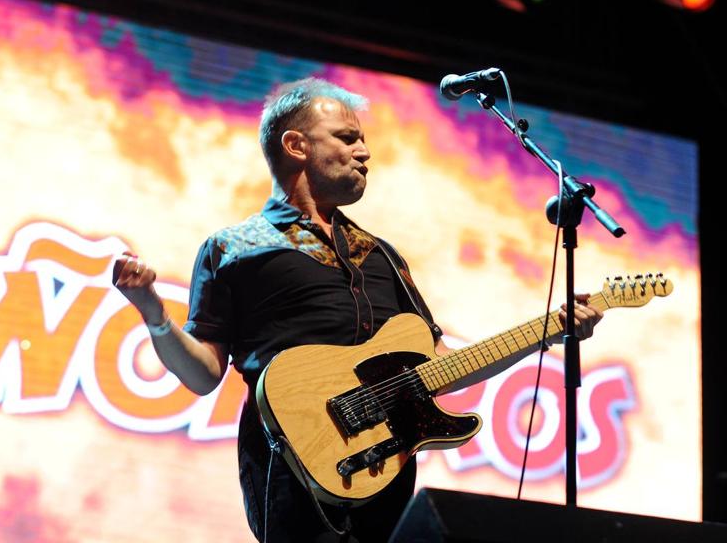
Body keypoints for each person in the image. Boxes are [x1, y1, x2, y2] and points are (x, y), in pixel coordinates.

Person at [112, 78, 603, 542]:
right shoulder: (234, 249)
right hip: (292, 470)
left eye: (362, 140)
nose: (364, 152)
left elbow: (442, 367)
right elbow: (202, 376)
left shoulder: (382, 255)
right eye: (346, 138)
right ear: (296, 146)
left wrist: (549, 331)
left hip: (386, 469)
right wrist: (152, 311)